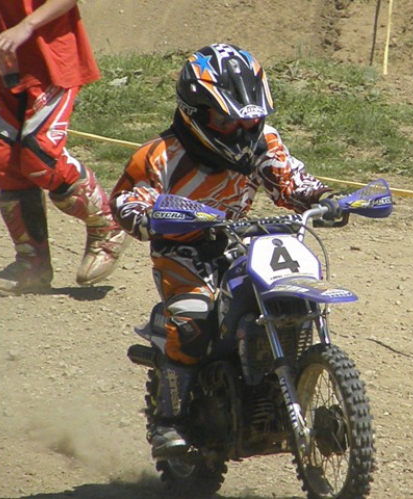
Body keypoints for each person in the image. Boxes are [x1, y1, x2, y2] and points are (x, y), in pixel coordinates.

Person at [109, 43, 342, 459]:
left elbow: (289, 180)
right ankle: (168, 421)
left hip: (237, 241)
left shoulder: (264, 142)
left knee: (290, 293)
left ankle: (286, 377)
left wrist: (321, 197)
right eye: (227, 120)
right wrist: (150, 217)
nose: (240, 130)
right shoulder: (160, 156)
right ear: (195, 112)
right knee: (194, 317)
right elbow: (127, 201)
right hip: (182, 252)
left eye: (249, 120)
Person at [0, 0, 129, 296]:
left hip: (49, 60)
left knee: (40, 157)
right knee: (3, 161)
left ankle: (106, 224)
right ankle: (32, 264)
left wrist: (26, 26)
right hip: (1, 63)